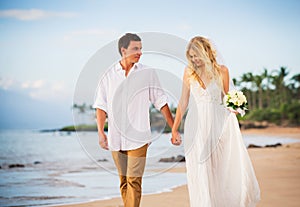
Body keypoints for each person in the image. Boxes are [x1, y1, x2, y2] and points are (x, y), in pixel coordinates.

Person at [171, 36, 260, 207]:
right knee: (200, 168)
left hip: (218, 123)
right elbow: (183, 102)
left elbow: (226, 98)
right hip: (196, 125)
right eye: (191, 56)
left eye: (197, 55)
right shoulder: (189, 72)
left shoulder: (222, 71)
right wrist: (175, 129)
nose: (194, 60)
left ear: (206, 52)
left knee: (220, 169)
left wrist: (235, 106)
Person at [93, 33, 179, 207]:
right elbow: (101, 106)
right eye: (135, 48)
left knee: (134, 180)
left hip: (139, 137)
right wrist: (101, 132)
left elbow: (161, 101)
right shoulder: (108, 75)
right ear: (123, 50)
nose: (140, 52)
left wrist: (174, 129)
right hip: (116, 137)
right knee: (123, 181)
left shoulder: (147, 73)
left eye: (141, 48)